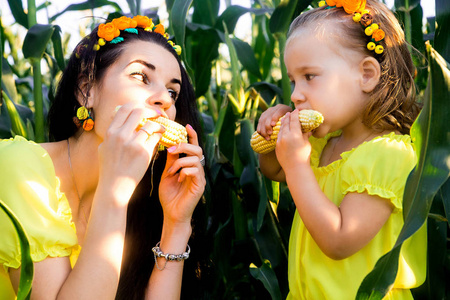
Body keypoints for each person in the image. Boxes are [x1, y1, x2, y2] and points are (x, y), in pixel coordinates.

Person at [0, 15, 208, 299]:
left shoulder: (136, 204)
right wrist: (115, 189)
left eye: (173, 91)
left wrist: (176, 224)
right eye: (141, 76)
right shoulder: (17, 168)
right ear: (86, 91)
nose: (165, 99)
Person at [256, 0, 426, 298]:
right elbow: (273, 170)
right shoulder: (324, 143)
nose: (295, 95)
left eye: (309, 76)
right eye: (293, 80)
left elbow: (339, 241)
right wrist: (272, 140)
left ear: (367, 75)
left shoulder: (387, 155)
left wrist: (296, 166)